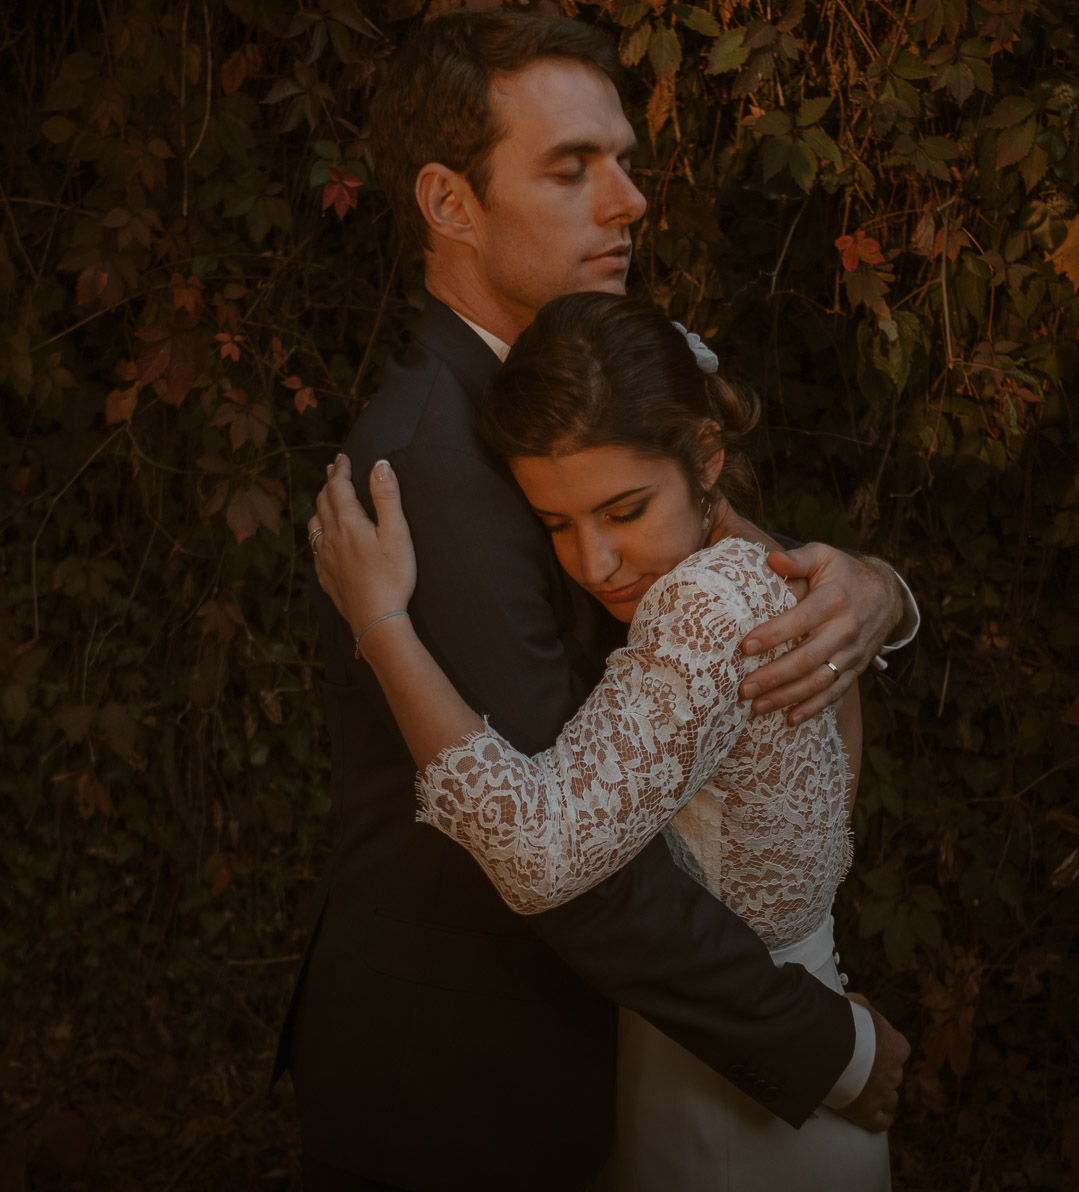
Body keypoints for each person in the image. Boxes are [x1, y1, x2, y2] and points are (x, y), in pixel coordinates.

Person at [274, 8, 917, 1192]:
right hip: (462, 1088)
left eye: (623, 161)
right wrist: (819, 1044)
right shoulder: (429, 468)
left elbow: (734, 588)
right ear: (448, 203)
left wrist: (876, 591)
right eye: (573, 168)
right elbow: (565, 857)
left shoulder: (574, 386)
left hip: (592, 1062)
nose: (626, 201)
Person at [310, 289, 892, 1189]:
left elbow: (541, 854)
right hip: (726, 1052)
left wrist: (382, 622)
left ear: (705, 455)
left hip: (736, 1115)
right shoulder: (761, 572)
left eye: (623, 511)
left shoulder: (702, 610)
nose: (593, 564)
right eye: (556, 525)